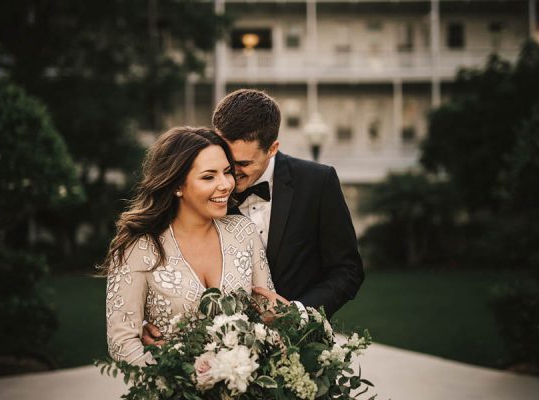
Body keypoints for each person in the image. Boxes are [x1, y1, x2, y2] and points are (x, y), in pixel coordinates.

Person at [143, 89, 364, 345]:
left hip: (302, 348)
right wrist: (154, 320)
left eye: (242, 164)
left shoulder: (317, 182)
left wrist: (298, 313)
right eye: (226, 159)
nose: (229, 176)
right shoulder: (200, 191)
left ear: (272, 148)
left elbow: (347, 270)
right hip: (217, 355)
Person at [104, 127, 276, 365]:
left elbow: (268, 315)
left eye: (227, 172)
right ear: (177, 186)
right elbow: (122, 344)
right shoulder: (138, 247)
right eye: (208, 176)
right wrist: (177, 379)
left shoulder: (244, 232)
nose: (226, 184)